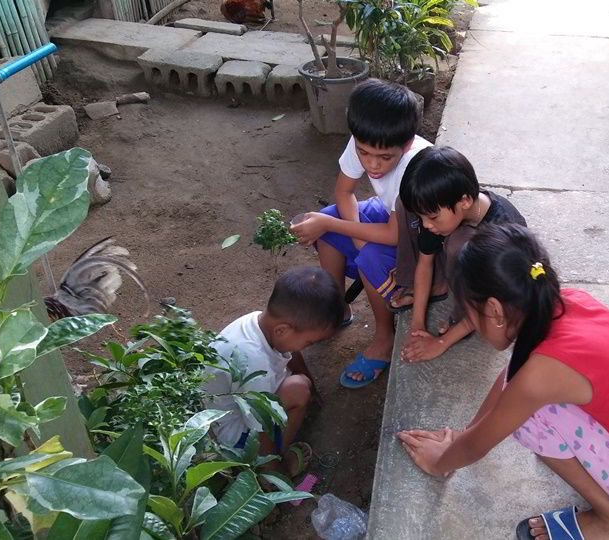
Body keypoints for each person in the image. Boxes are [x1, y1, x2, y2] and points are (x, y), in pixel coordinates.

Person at [397, 224, 609, 540]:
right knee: (524, 394)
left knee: (530, 417)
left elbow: (481, 444)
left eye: (469, 313)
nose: (473, 325)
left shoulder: (543, 372)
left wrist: (441, 462)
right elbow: (513, 375)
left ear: (495, 310)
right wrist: (462, 435)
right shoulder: (561, 302)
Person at [289, 78, 431, 389]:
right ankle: (336, 307)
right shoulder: (363, 140)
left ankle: (384, 337)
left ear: (406, 145)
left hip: (419, 240)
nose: (373, 164)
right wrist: (351, 233)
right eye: (365, 153)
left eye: (385, 158)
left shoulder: (415, 167)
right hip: (391, 218)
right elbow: (344, 193)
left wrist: (337, 228)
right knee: (331, 219)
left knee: (364, 252)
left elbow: (396, 235)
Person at [205, 266, 345, 477]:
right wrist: (273, 468)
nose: (305, 347)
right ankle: (263, 468)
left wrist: (313, 387)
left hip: (233, 406)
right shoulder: (254, 364)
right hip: (235, 440)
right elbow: (262, 427)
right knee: (299, 390)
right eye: (308, 342)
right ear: (283, 330)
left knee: (302, 384)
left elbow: (293, 353)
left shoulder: (259, 322)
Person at [395, 145, 527, 362]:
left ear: (464, 201)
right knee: (405, 203)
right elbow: (425, 263)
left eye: (432, 217)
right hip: (463, 250)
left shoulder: (502, 235)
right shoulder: (440, 214)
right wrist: (417, 325)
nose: (426, 224)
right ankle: (435, 286)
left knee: (460, 244)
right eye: (424, 218)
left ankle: (461, 314)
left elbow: (495, 302)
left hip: (497, 282)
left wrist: (440, 343)